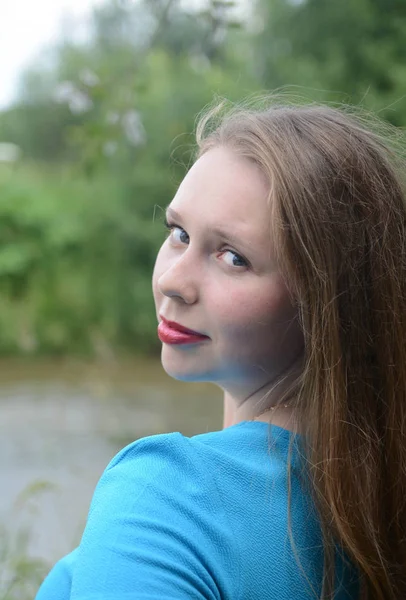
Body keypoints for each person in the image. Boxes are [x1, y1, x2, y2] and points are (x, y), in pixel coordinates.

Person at [35, 100, 406, 600]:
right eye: (179, 234)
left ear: (327, 305)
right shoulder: (383, 488)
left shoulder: (168, 500)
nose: (172, 280)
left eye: (233, 257)